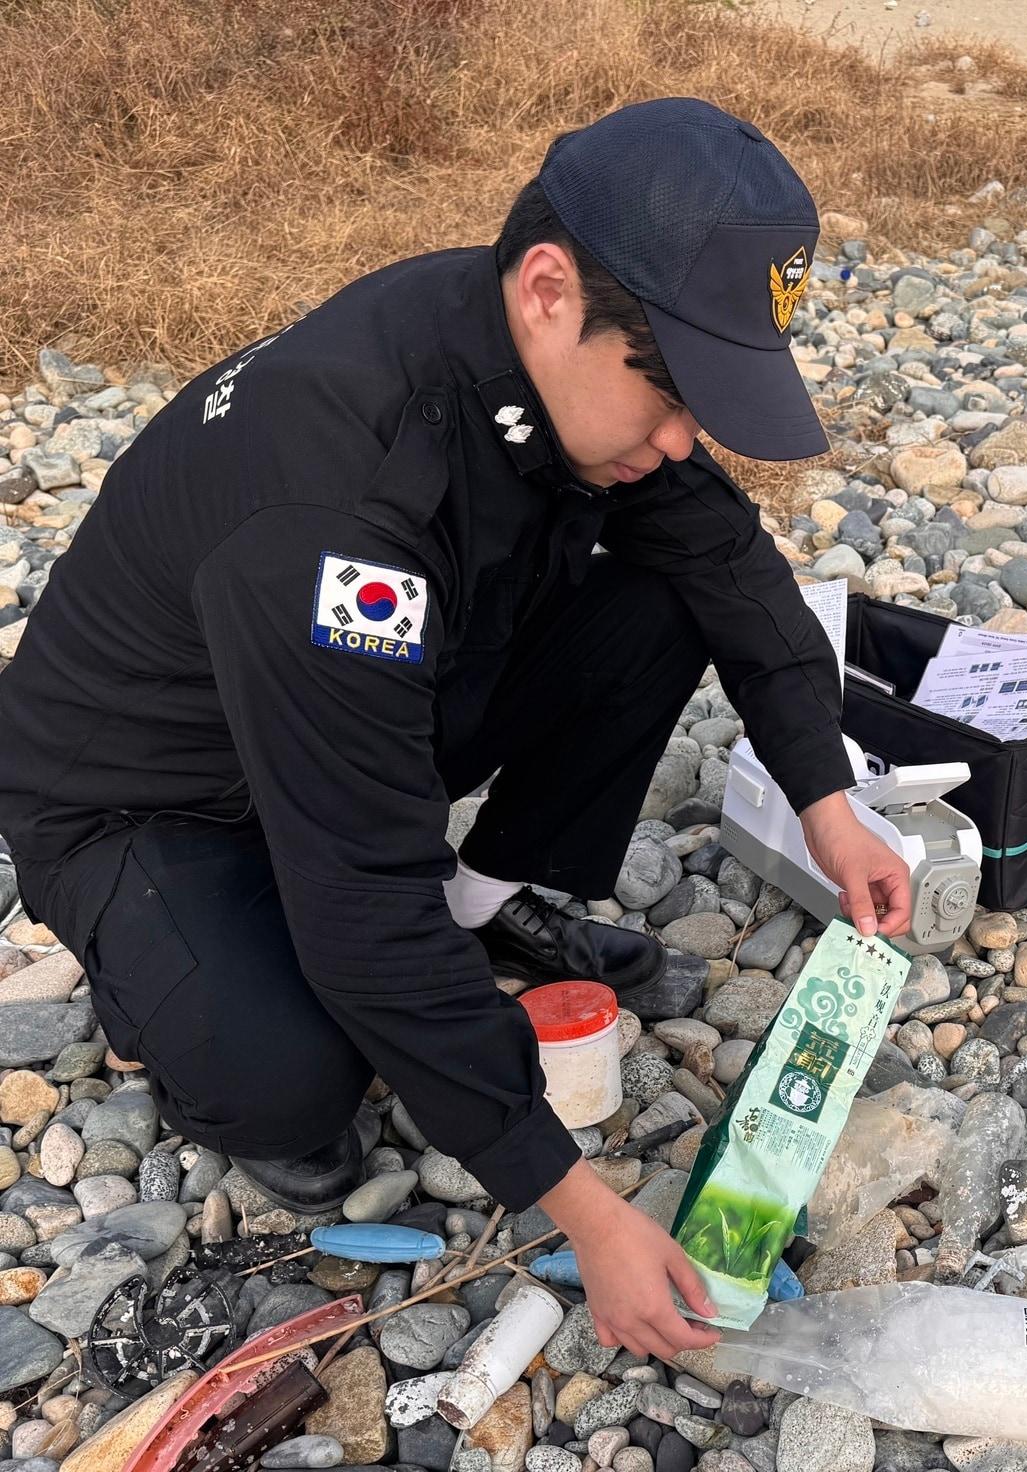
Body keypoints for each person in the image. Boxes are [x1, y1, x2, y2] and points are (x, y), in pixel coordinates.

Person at [0, 97, 911, 1358]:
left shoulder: (531, 348)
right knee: (294, 1083)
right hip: (146, 797)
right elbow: (362, 893)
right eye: (668, 387)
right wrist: (577, 1204)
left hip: (342, 710)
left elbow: (726, 562)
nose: (682, 437)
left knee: (662, 588)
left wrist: (825, 797)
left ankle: (474, 907)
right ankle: (164, 970)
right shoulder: (341, 509)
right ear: (547, 290)